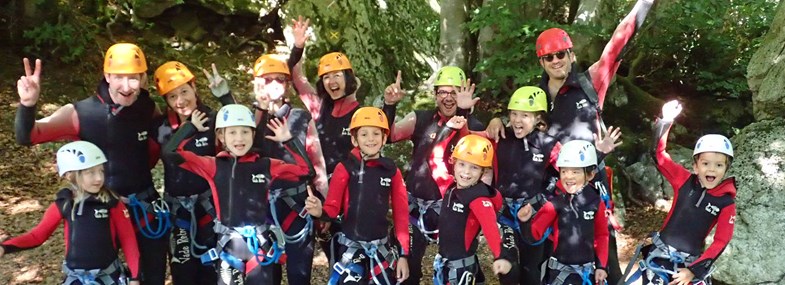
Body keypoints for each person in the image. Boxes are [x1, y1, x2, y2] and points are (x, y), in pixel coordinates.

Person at [15, 43, 168, 284]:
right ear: (107, 76)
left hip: (143, 208)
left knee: (152, 277)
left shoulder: (147, 108)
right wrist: (27, 104)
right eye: (119, 77)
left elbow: (153, 152)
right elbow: (29, 136)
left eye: (134, 78)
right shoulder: (81, 112)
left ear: (143, 78)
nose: (127, 87)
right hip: (100, 209)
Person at [162, 104, 314, 284]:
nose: (239, 138)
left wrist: (289, 140)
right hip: (229, 249)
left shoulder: (266, 165)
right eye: (232, 132)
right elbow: (170, 153)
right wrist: (191, 127)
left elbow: (306, 172)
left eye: (245, 132)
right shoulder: (214, 165)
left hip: (259, 248)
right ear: (221, 136)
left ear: (253, 134)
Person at [381, 66, 485, 284]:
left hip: (451, 208)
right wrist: (389, 106)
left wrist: (465, 114)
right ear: (435, 95)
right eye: (442, 92)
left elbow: (474, 151)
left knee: (457, 269)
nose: (448, 98)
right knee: (405, 266)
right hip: (415, 205)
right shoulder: (421, 118)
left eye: (454, 92)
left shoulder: (475, 126)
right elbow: (389, 136)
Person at [251, 16, 330, 285]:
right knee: (266, 273)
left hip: (297, 205)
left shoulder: (300, 118)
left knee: (299, 274)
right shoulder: (249, 120)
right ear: (257, 83)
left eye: (280, 80)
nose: (274, 84)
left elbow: (317, 166)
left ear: (287, 85)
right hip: (261, 206)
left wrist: (324, 208)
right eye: (267, 79)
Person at [621, 100, 736, 285]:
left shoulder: (726, 203)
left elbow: (721, 241)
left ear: (726, 169)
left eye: (719, 165)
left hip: (689, 267)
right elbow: (659, 155)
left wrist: (693, 271)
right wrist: (666, 121)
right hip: (659, 258)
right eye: (705, 163)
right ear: (695, 166)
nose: (712, 170)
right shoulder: (684, 181)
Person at [0, 141, 141, 285]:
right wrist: (5, 247)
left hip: (108, 277)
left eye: (101, 171)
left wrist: (135, 278)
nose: (99, 178)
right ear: (70, 176)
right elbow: (37, 236)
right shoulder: (64, 204)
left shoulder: (112, 203)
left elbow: (128, 241)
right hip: (76, 279)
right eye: (90, 172)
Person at [303, 107, 410, 285]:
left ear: (384, 138)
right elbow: (332, 207)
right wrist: (319, 210)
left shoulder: (391, 171)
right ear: (354, 139)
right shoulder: (345, 168)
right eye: (364, 134)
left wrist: (404, 255)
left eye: (376, 134)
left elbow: (401, 215)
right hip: (352, 248)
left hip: (381, 248)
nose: (370, 139)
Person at [152, 60, 235, 285]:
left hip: (208, 207)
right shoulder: (160, 128)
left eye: (184, 91)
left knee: (211, 267)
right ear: (166, 101)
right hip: (178, 209)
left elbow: (240, 131)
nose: (180, 101)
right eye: (172, 96)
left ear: (194, 88)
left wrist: (225, 96)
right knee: (183, 270)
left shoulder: (212, 118)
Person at [428, 120, 515, 285]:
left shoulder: (478, 199)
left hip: (460, 271)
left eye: (474, 168)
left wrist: (500, 256)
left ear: (483, 171)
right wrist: (449, 129)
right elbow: (435, 158)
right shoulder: (449, 186)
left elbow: (490, 228)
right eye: (462, 164)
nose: (466, 173)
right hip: (445, 266)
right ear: (453, 163)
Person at [491, 86, 561, 285]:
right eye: (513, 114)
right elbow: (470, 141)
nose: (517, 120)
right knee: (508, 270)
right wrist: (494, 120)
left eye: (525, 115)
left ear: (538, 118)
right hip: (505, 214)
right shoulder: (500, 137)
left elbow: (570, 172)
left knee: (532, 272)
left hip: (534, 214)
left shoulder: (548, 144)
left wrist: (544, 201)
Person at [519, 140, 610, 285]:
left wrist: (601, 266)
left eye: (575, 172)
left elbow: (602, 235)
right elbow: (533, 236)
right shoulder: (555, 204)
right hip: (559, 275)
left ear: (590, 175)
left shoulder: (595, 202)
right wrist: (524, 221)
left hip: (587, 274)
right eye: (564, 171)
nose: (568, 176)